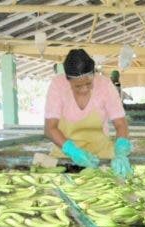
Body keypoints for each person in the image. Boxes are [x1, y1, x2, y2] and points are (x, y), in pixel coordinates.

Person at [44, 49, 133, 178]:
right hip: (66, 154)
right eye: (78, 86)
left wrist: (121, 151)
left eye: (88, 83)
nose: (84, 89)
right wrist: (72, 151)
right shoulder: (58, 85)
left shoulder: (105, 85)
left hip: (100, 153)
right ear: (68, 80)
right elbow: (49, 128)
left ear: (94, 75)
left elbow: (120, 123)